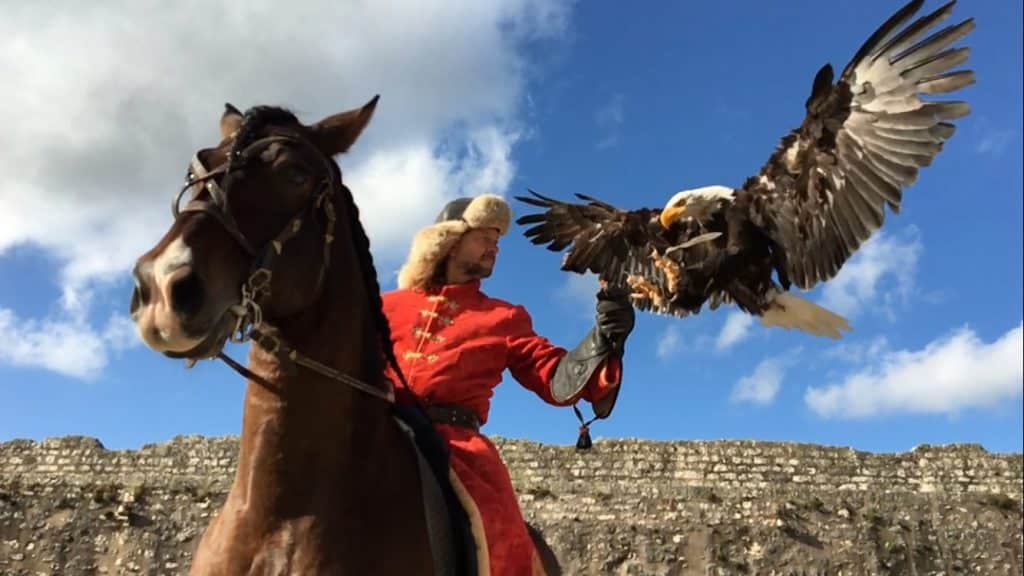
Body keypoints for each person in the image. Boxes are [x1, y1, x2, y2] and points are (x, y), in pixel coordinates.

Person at [381, 193, 635, 575]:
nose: (495, 247)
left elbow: (554, 377)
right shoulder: (384, 306)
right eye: (485, 236)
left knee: (503, 537)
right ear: (449, 241)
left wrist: (604, 337)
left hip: (456, 446)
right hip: (375, 428)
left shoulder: (505, 316)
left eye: (497, 241)